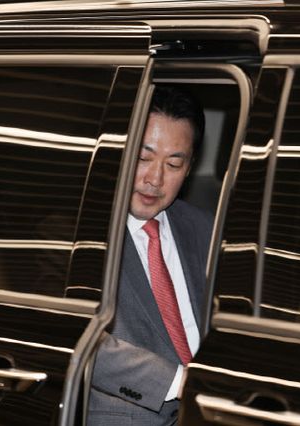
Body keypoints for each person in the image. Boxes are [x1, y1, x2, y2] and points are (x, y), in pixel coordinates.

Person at [87, 85, 213, 425]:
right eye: (142, 158)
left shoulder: (205, 227)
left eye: (173, 164)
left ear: (189, 168)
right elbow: (70, 334)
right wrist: (179, 382)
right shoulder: (78, 230)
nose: (154, 179)